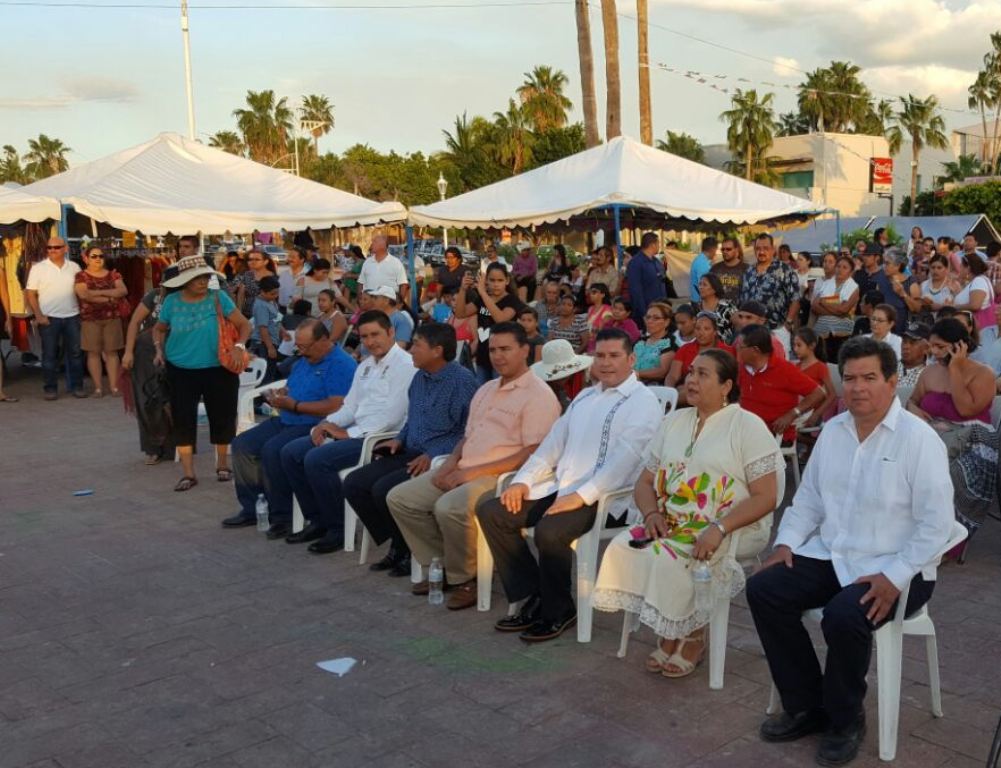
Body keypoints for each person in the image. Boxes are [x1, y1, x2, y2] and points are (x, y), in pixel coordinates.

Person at [747, 337, 953, 768]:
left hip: (901, 566)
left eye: (870, 378)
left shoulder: (918, 440)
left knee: (843, 616)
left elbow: (937, 525)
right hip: (835, 554)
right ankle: (806, 705)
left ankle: (845, 720)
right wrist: (786, 542)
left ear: (892, 382)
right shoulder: (834, 432)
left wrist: (895, 576)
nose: (858, 388)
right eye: (851, 378)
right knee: (765, 589)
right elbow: (809, 500)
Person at [593, 349, 782, 676]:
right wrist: (651, 515)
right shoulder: (674, 421)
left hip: (734, 526)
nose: (691, 380)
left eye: (702, 374)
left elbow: (767, 497)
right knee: (625, 547)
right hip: (672, 520)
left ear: (726, 386)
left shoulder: (747, 426)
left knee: (675, 557)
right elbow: (645, 482)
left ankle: (692, 635)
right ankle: (671, 628)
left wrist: (719, 528)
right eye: (691, 372)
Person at [476, 329, 662, 641]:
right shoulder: (586, 396)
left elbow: (626, 460)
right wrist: (522, 481)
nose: (606, 363)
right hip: (560, 487)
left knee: (550, 531)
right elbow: (552, 444)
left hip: (606, 498)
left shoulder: (643, 402)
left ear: (631, 359)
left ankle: (559, 610)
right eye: (600, 356)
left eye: (614, 356)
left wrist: (581, 495)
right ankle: (535, 594)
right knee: (493, 512)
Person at [388, 322, 562, 610]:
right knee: (401, 498)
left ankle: (466, 577)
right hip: (463, 466)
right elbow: (467, 436)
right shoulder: (487, 389)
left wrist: (470, 473)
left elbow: (533, 452)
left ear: (525, 350)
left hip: (501, 476)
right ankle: (443, 565)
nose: (498, 356)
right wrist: (449, 464)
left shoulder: (538, 395)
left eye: (505, 349)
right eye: (492, 350)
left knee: (450, 507)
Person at [343, 323, 478, 576]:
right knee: (354, 483)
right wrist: (398, 439)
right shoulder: (420, 377)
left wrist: (432, 454)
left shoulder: (462, 382)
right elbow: (411, 418)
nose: (411, 350)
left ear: (437, 350)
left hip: (437, 457)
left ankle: (405, 549)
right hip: (409, 450)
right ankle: (399, 541)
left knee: (383, 489)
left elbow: (468, 431)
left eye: (417, 345)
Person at [279, 311, 416, 553]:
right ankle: (317, 520)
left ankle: (337, 529)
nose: (370, 342)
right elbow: (350, 406)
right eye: (364, 337)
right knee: (291, 452)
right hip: (357, 432)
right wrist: (325, 423)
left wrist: (348, 434)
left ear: (391, 332)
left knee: (317, 459)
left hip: (380, 439)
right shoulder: (365, 366)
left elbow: (392, 418)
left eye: (375, 335)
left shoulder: (405, 366)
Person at [221, 319, 356, 537]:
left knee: (272, 451)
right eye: (298, 346)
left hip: (314, 423)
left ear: (323, 340)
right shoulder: (305, 359)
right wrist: (282, 394)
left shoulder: (341, 364)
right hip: (287, 418)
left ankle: (282, 516)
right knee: (242, 444)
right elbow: (292, 385)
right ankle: (253, 507)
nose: (301, 351)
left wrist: (295, 405)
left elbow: (336, 405)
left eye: (305, 346)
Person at [153, 255, 252, 492]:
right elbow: (159, 328)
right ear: (184, 281)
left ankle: (222, 465)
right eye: (197, 278)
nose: (203, 282)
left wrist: (239, 346)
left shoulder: (218, 297)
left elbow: (244, 325)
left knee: (223, 416)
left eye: (206, 277)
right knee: (183, 419)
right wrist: (158, 349)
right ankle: (188, 474)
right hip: (180, 369)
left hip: (219, 368)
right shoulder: (172, 301)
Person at [907, 318, 997, 541]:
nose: (934, 352)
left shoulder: (983, 374)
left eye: (940, 346)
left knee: (943, 474)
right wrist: (915, 410)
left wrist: (956, 367)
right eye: (931, 346)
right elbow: (912, 401)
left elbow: (965, 409)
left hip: (972, 442)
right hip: (934, 436)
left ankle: (945, 536)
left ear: (960, 346)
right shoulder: (929, 372)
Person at [122, 265, 178, 464]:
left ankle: (176, 447)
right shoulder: (153, 296)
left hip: (176, 352)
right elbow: (134, 322)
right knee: (148, 400)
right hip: (145, 353)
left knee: (172, 400)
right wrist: (128, 352)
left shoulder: (187, 299)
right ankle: (153, 448)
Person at [736, 324, 826, 443]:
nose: (736, 349)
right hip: (745, 432)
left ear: (755, 351)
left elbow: (818, 393)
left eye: (740, 346)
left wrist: (793, 414)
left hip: (774, 436)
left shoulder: (784, 369)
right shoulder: (742, 369)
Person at [24, 237, 86, 400]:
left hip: (72, 316)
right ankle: (50, 388)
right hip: (49, 318)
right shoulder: (38, 268)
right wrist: (38, 315)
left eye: (56, 247)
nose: (52, 250)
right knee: (49, 355)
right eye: (49, 247)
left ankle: (77, 386)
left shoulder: (74, 267)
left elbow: (81, 291)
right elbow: (30, 293)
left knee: (76, 354)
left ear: (65, 249)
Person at [453, 263, 525, 383]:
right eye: (492, 280)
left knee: (500, 391)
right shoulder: (482, 299)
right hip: (483, 355)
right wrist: (463, 289)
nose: (496, 284)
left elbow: (501, 320)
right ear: (486, 281)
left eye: (500, 280)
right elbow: (460, 313)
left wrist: (483, 292)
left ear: (507, 281)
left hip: (503, 358)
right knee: (483, 391)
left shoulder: (512, 300)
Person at [74, 246, 128, 397]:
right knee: (93, 353)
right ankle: (98, 388)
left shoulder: (113, 274)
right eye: (94, 256)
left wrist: (97, 293)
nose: (98, 259)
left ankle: (114, 387)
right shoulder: (81, 276)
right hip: (90, 319)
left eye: (101, 256)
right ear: (86, 259)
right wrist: (110, 298)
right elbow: (84, 295)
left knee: (112, 352)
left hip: (112, 318)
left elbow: (122, 291)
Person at [738, 234, 800, 354]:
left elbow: (795, 299)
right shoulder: (748, 271)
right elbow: (741, 300)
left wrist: (788, 324)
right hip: (751, 332)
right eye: (758, 248)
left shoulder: (785, 270)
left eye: (765, 248)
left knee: (778, 363)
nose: (761, 252)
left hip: (777, 330)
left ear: (773, 249)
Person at [665, 312, 733, 398]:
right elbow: (673, 376)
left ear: (715, 332)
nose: (701, 333)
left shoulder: (727, 351)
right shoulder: (685, 348)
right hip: (685, 390)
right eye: (697, 328)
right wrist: (669, 391)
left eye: (706, 329)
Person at [811, 255, 859, 363]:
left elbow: (844, 310)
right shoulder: (826, 284)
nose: (840, 269)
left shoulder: (854, 287)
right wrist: (836, 309)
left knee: (836, 366)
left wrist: (824, 302)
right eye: (838, 266)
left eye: (844, 267)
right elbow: (814, 306)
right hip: (822, 334)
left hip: (841, 335)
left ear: (851, 272)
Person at [792, 328, 836, 427]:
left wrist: (817, 414)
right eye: (794, 345)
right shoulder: (796, 367)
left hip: (810, 413)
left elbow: (832, 395)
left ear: (812, 346)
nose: (795, 349)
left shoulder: (820, 367)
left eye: (799, 345)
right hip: (797, 411)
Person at [626, 233, 667, 325]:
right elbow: (635, 290)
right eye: (658, 243)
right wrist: (644, 314)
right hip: (645, 313)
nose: (659, 246)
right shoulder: (636, 263)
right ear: (653, 245)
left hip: (660, 310)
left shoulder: (656, 262)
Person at [633, 301, 677, 383]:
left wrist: (636, 374)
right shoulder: (640, 341)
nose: (650, 321)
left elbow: (662, 371)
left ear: (667, 322)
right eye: (648, 317)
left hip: (653, 386)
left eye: (656, 318)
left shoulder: (669, 343)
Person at [358, 235, 409, 304]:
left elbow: (403, 284)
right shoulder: (367, 262)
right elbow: (361, 282)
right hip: (368, 304)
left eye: (374, 242)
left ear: (382, 245)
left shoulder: (396, 263)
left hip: (388, 304)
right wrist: (360, 299)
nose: (371, 244)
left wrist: (399, 303)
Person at [951, 251, 995, 331]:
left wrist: (954, 306)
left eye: (961, 266)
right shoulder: (977, 281)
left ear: (968, 268)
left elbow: (975, 305)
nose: (959, 268)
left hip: (978, 325)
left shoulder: (979, 281)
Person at [882, 248, 922, 333]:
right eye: (883, 263)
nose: (883, 266)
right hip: (883, 329)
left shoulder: (911, 283)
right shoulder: (882, 281)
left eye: (887, 263)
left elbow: (917, 308)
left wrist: (903, 293)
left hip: (901, 331)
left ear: (898, 265)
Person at [248, 275, 282, 375]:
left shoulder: (270, 301)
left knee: (270, 370)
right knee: (265, 373)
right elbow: (263, 328)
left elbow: (275, 319)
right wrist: (270, 347)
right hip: (263, 343)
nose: (275, 296)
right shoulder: (261, 306)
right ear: (262, 292)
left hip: (270, 341)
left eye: (277, 292)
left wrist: (283, 331)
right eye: (272, 294)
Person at [364, 286, 414, 350]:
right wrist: (356, 353)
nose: (372, 300)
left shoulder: (401, 320)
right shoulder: (376, 317)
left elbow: (400, 346)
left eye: (376, 298)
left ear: (386, 301)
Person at [235, 248, 276, 317]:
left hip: (266, 314)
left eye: (257, 259)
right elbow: (241, 295)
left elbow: (275, 298)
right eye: (250, 259)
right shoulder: (247, 275)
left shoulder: (273, 277)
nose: (253, 262)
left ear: (265, 262)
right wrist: (239, 312)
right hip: (248, 314)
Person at [696, 273, 736, 343]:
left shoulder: (727, 307)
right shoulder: (696, 307)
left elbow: (738, 327)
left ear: (714, 289)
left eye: (704, 285)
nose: (700, 287)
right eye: (700, 284)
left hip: (725, 346)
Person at [710, 237, 745, 302]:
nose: (725, 252)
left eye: (728, 249)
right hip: (718, 307)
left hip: (739, 308)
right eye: (723, 249)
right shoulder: (715, 269)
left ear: (736, 249)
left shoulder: (747, 269)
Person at [897, 321, 930, 388]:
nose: (906, 347)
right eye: (904, 341)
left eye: (912, 343)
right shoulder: (890, 368)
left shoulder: (930, 374)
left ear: (926, 348)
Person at [689, 237, 717, 302]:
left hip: (697, 299)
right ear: (713, 249)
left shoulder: (700, 259)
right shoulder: (702, 263)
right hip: (700, 301)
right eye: (716, 250)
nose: (715, 253)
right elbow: (704, 286)